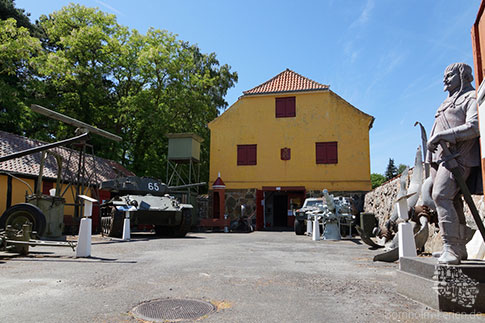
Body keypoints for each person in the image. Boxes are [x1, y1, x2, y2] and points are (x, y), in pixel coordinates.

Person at [426, 62, 480, 265]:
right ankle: (458, 248)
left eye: (449, 75)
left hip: (458, 158)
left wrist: (442, 135)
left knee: (441, 195)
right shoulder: (445, 102)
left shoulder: (470, 97)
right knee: (452, 200)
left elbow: (474, 127)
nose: (444, 79)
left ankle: (451, 247)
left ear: (461, 75)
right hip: (440, 158)